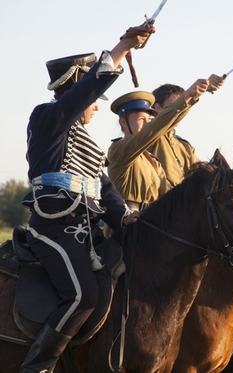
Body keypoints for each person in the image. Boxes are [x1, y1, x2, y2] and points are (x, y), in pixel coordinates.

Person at [19, 24, 149, 372]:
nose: (96, 107)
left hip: (87, 230)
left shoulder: (87, 143)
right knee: (82, 296)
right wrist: (121, 47)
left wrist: (123, 216)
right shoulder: (47, 118)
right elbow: (75, 100)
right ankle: (38, 367)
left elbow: (102, 187)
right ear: (77, 89)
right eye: (93, 99)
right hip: (54, 227)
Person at [107, 75, 224, 211]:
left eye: (148, 118)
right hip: (129, 224)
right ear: (123, 122)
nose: (146, 123)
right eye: (140, 119)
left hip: (154, 221)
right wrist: (189, 95)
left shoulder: (153, 162)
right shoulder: (118, 149)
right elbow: (158, 126)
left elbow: (171, 195)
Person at [148, 84, 201, 187]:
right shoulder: (150, 136)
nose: (180, 110)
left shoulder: (185, 146)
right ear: (158, 108)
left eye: (181, 104)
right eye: (175, 105)